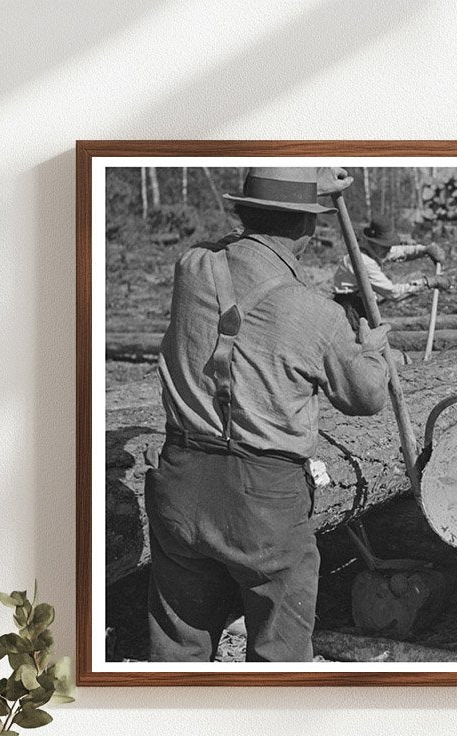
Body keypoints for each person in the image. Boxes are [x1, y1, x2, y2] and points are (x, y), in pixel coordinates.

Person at [145, 167, 390, 663]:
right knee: (279, 655)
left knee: (177, 651)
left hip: (181, 480)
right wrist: (370, 351)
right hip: (264, 496)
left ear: (242, 213)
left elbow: (229, 244)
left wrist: (298, 191)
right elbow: (366, 399)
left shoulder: (192, 268)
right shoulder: (317, 313)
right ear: (309, 227)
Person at [332, 216, 449, 328]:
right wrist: (428, 282)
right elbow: (393, 293)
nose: (388, 250)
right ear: (373, 242)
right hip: (349, 308)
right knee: (358, 339)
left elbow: (399, 251)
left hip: (360, 302)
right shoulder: (363, 261)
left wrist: (424, 249)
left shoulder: (374, 249)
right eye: (385, 246)